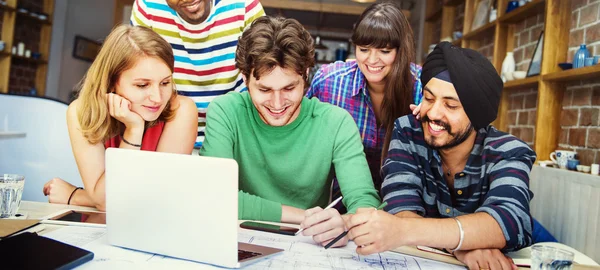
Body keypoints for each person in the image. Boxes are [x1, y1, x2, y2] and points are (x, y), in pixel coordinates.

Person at [345, 42, 536, 270]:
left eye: (451, 105)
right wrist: (462, 247)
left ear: (476, 114)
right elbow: (400, 211)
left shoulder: (508, 151)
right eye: (428, 98)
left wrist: (410, 231)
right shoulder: (408, 133)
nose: (433, 113)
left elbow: (509, 221)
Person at [200, 16, 381, 248]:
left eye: (289, 88)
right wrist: (306, 217)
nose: (277, 103)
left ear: (306, 75)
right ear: (245, 78)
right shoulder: (225, 112)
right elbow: (215, 194)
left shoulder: (336, 123)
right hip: (235, 242)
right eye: (264, 89)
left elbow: (365, 203)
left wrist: (345, 222)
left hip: (308, 247)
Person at [43, 25, 198, 210]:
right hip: (97, 228)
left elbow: (158, 198)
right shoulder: (81, 112)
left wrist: (77, 196)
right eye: (142, 85)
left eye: (165, 83)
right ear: (111, 82)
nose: (157, 98)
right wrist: (134, 130)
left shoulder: (182, 109)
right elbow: (107, 200)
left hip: (155, 224)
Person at [306, 2, 421, 204]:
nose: (372, 60)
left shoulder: (422, 88)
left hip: (404, 203)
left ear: (401, 51)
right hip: (338, 203)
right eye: (364, 49)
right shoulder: (329, 82)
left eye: (384, 51)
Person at [131, 0, 265, 147]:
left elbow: (264, 77)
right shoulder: (147, 7)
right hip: (170, 136)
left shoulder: (244, 5)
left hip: (235, 133)